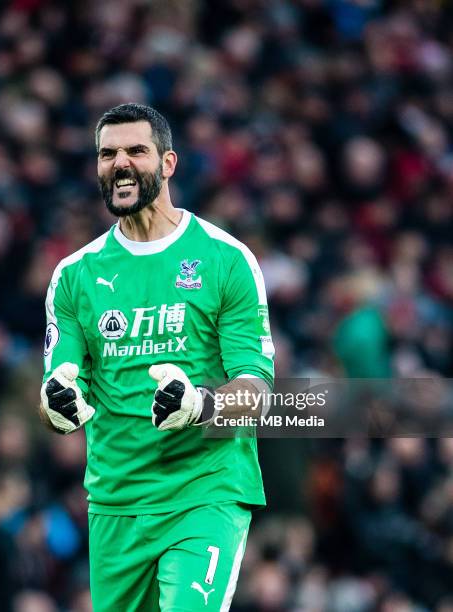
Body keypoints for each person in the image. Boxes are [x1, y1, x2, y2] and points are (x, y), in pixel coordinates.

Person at [39, 103, 275, 611]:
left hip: (203, 491)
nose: (119, 163)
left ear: (168, 163)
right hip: (116, 505)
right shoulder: (74, 276)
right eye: (107, 154)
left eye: (135, 151)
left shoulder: (225, 259)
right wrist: (56, 403)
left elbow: (256, 390)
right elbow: (59, 385)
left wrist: (201, 405)